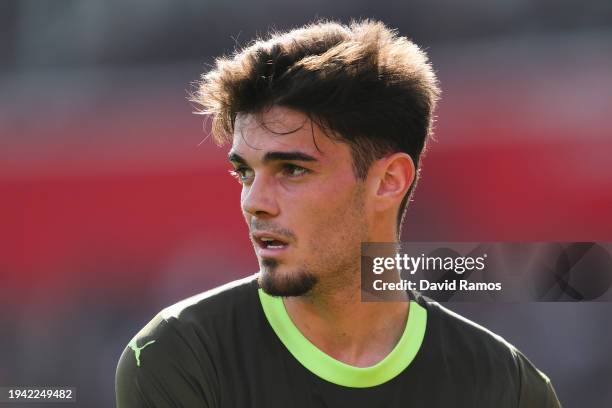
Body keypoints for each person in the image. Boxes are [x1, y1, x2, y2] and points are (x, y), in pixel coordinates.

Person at [115, 19, 561, 407]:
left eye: (291, 169)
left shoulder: (505, 386)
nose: (254, 201)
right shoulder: (179, 353)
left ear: (389, 181)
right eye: (245, 173)